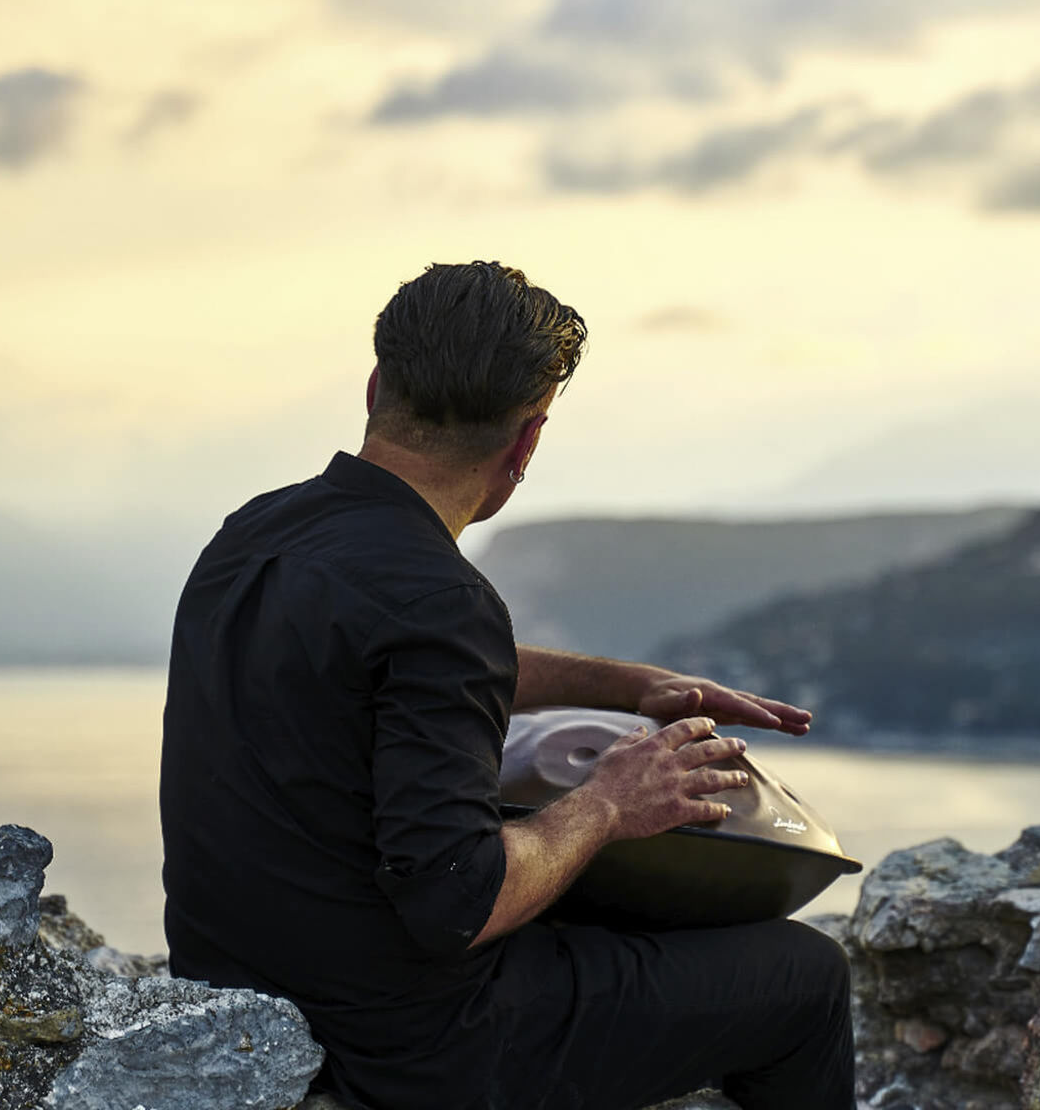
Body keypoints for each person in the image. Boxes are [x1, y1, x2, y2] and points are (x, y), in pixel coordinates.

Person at [159, 261, 854, 1110]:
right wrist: (605, 803)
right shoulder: (440, 600)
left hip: (234, 982)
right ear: (527, 442)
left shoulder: (257, 530)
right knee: (806, 976)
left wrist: (632, 687)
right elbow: (460, 900)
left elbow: (387, 669)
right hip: (408, 1044)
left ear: (378, 386)